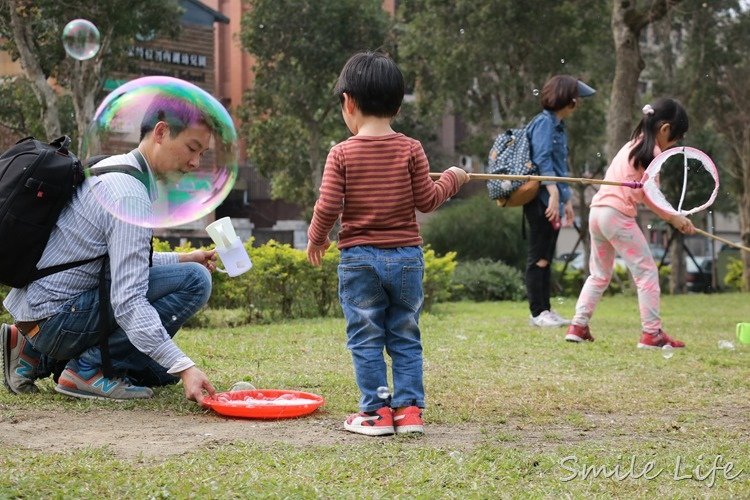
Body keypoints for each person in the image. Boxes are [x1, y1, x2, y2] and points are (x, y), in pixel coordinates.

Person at [2, 95, 219, 403]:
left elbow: (114, 263)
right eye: (192, 148)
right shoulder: (129, 194)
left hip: (39, 314)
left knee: (156, 374)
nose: (196, 162)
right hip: (57, 320)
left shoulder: (112, 167)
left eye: (202, 153)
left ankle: (30, 351)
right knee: (196, 281)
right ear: (160, 133)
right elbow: (128, 301)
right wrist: (185, 368)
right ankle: (87, 371)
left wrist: (184, 257)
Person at [306, 51, 469, 436]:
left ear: (348, 102)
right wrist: (453, 178)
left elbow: (328, 203)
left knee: (365, 336)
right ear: (397, 105)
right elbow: (427, 200)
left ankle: (377, 412)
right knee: (404, 332)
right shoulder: (410, 148)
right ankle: (409, 411)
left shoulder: (341, 153)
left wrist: (318, 238)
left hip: (359, 259)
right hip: (407, 259)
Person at [565, 98, 695, 348]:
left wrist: (674, 217)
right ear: (665, 129)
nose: (675, 144)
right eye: (676, 138)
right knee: (646, 271)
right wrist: (675, 218)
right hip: (616, 216)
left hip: (597, 213)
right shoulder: (652, 154)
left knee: (599, 274)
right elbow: (652, 197)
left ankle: (578, 326)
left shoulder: (631, 146)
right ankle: (652, 333)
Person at [525, 75, 596, 328]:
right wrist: (554, 193)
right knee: (539, 256)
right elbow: (543, 161)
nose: (577, 103)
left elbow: (559, 166)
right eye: (575, 98)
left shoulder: (558, 125)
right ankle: (537, 313)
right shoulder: (544, 123)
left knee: (547, 255)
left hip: (553, 198)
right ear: (567, 99)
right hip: (541, 200)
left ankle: (546, 309)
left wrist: (565, 199)